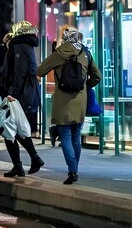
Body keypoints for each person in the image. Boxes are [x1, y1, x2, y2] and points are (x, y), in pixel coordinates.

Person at [37, 27, 101, 185]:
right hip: (80, 99)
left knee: (65, 136)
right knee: (76, 136)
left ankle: (72, 170)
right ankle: (75, 169)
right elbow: (97, 76)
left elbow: (40, 70)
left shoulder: (59, 54)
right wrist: (85, 86)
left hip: (62, 101)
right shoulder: (85, 53)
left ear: (64, 38)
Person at [0, 21, 44, 177]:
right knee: (13, 130)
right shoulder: (25, 45)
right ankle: (26, 162)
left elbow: (19, 73)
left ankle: (27, 161)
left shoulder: (19, 46)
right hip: (26, 94)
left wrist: (14, 94)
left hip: (20, 95)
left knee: (9, 130)